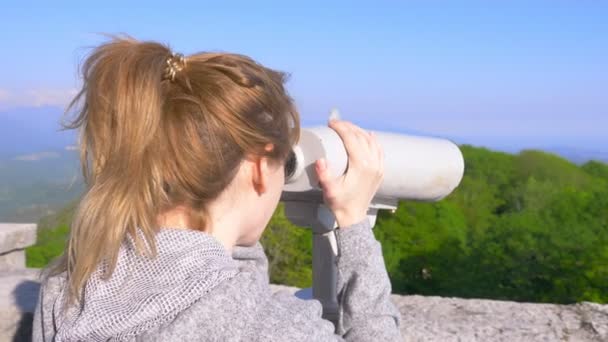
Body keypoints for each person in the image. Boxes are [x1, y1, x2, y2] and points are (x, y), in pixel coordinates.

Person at [32, 35, 402, 341]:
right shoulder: (273, 328)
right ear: (259, 166)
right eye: (284, 165)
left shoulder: (67, 289)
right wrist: (353, 222)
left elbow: (201, 273)